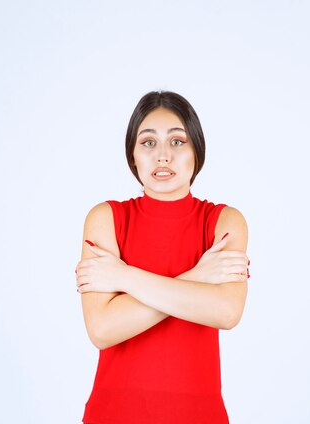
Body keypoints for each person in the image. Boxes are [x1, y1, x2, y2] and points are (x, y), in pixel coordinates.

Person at [75, 91, 249, 423]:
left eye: (178, 142)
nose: (163, 156)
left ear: (197, 150)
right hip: (114, 413)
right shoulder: (106, 218)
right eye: (148, 143)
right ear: (133, 155)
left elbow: (226, 312)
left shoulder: (225, 223)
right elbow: (102, 328)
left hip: (199, 415)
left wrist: (125, 277)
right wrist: (197, 276)